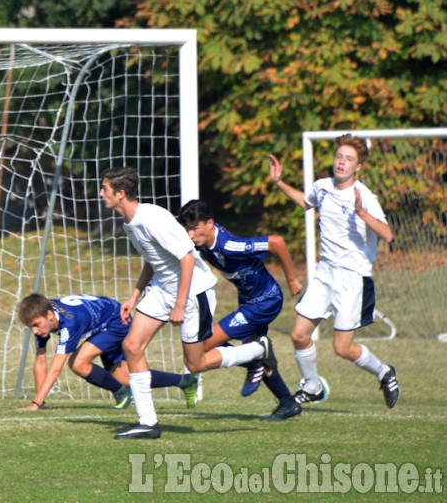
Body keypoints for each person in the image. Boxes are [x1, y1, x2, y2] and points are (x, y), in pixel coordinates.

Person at [100, 167, 277, 439]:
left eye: (105, 189)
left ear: (120, 194)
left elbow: (186, 258)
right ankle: (148, 423)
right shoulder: (130, 222)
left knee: (195, 364)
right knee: (131, 345)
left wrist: (180, 304)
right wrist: (135, 295)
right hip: (162, 289)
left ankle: (257, 350)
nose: (101, 194)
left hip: (193, 292)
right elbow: (153, 258)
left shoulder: (152, 219)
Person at [269, 133, 400, 408]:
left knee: (342, 348)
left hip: (353, 278)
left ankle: (384, 372)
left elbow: (387, 234)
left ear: (358, 167)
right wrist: (279, 182)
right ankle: (313, 387)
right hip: (324, 273)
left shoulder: (364, 196)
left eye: (349, 159)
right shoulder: (322, 186)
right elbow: (306, 202)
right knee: (299, 335)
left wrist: (363, 214)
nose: (341, 162)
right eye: (339, 156)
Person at [178, 199, 303, 420]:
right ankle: (287, 402)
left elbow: (277, 242)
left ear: (209, 223)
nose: (190, 235)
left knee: (203, 345)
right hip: (248, 301)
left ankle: (254, 361)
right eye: (187, 229)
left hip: (265, 301)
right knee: (255, 352)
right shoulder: (201, 244)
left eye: (194, 228)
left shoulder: (227, 245)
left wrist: (291, 279)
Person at [16, 293, 200, 411]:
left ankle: (122, 393)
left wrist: (35, 404)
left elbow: (55, 368)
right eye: (30, 327)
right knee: (125, 377)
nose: (34, 331)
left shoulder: (69, 323)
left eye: (35, 325)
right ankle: (185, 381)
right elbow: (41, 361)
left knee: (77, 363)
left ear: (49, 316)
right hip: (103, 321)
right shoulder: (43, 320)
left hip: (116, 321)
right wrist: (40, 402)